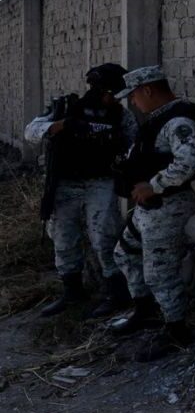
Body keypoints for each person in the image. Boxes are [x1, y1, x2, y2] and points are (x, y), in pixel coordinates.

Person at [110, 66, 195, 362]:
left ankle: (176, 331)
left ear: (148, 90)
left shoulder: (179, 120)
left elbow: (188, 163)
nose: (133, 103)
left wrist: (153, 186)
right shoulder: (160, 118)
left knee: (159, 273)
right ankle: (145, 312)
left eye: (134, 97)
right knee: (124, 253)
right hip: (150, 205)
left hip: (168, 204)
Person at [24, 64, 137, 318]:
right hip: (66, 183)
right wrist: (61, 125)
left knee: (105, 236)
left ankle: (116, 293)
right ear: (100, 90)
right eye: (113, 93)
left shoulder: (120, 116)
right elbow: (31, 131)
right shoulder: (66, 108)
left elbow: (134, 146)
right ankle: (72, 291)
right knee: (63, 237)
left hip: (101, 182)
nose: (116, 99)